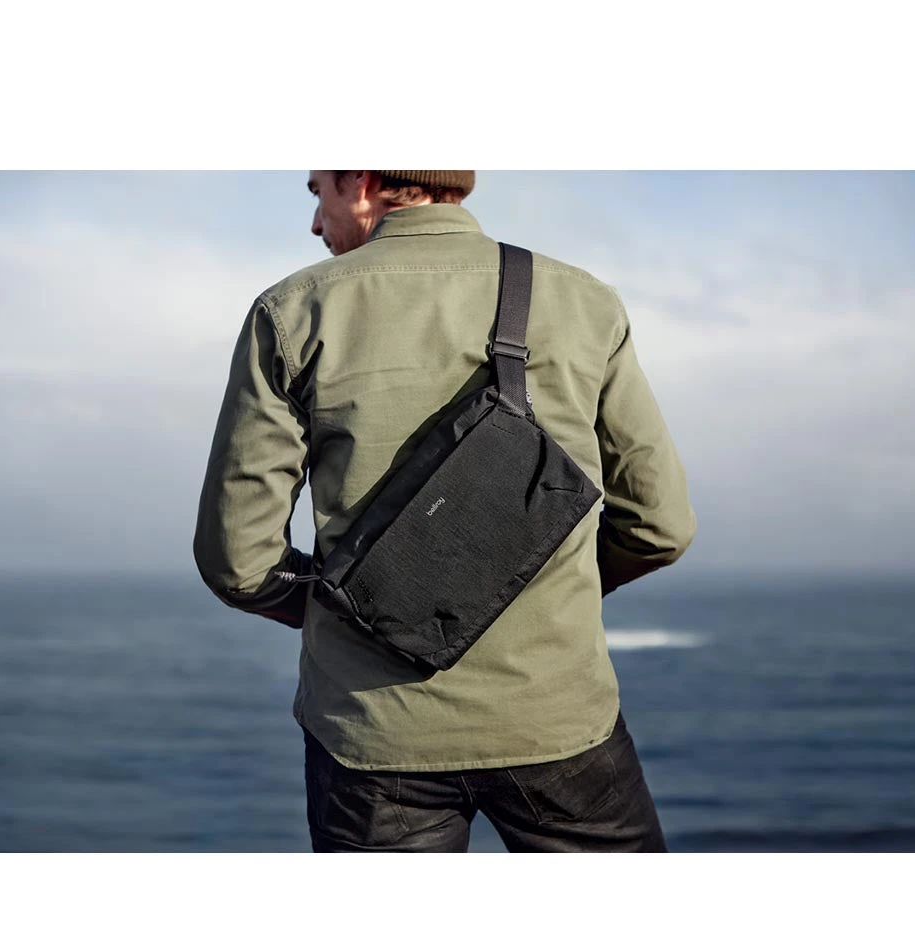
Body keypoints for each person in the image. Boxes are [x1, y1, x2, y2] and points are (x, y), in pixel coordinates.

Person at [194, 170, 696, 852]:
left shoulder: (294, 311)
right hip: (556, 716)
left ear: (361, 180)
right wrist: (527, 585)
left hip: (374, 732)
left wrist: (361, 607)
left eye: (318, 192)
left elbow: (237, 561)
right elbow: (660, 526)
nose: (315, 224)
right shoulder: (583, 301)